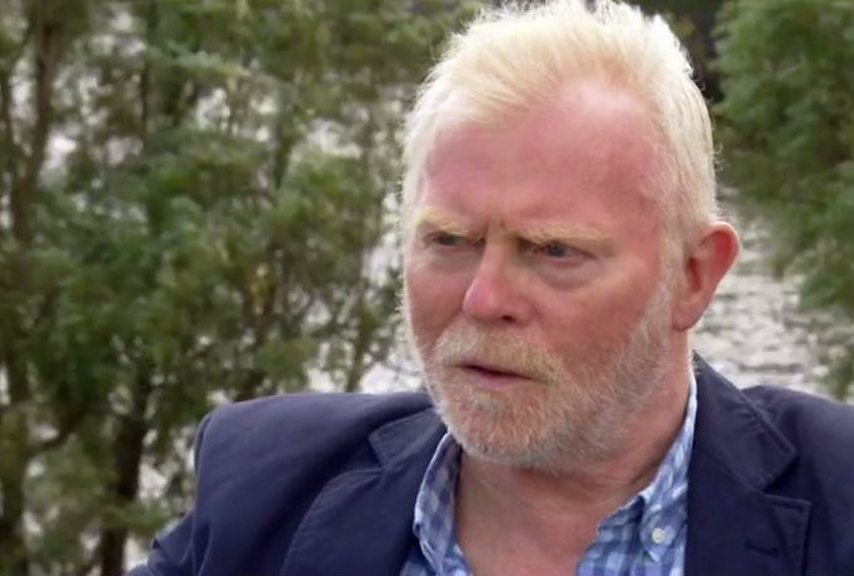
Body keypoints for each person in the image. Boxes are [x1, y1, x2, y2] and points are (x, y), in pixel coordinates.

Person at [130, 1, 854, 574]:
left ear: (694, 276)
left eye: (553, 250)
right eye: (449, 240)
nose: (483, 300)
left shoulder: (837, 505)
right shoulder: (266, 494)